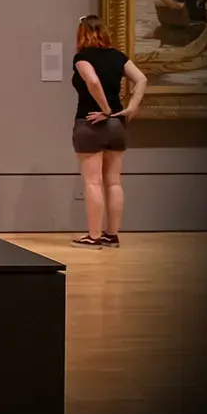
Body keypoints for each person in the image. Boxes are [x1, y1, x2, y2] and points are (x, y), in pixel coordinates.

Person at [69, 15, 148, 249]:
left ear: (82, 33)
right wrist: (131, 107)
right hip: (116, 125)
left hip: (90, 123)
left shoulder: (82, 58)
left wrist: (104, 109)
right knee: (114, 182)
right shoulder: (118, 57)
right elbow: (141, 79)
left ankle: (94, 236)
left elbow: (92, 81)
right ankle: (112, 235)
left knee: (93, 183)